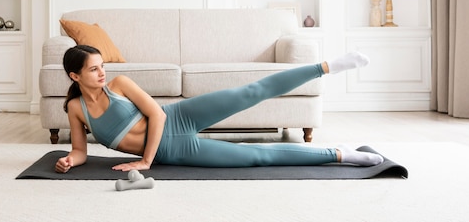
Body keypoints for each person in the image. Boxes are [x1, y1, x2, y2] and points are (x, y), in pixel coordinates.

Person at [55, 45, 383, 173]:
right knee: (257, 157)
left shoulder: (120, 84)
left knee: (250, 92)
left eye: (101, 65)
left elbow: (157, 114)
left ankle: (327, 66)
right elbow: (80, 150)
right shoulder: (76, 107)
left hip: (177, 117)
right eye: (93, 69)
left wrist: (144, 161)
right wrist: (71, 160)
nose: (102, 73)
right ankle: (339, 154)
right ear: (75, 76)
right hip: (176, 149)